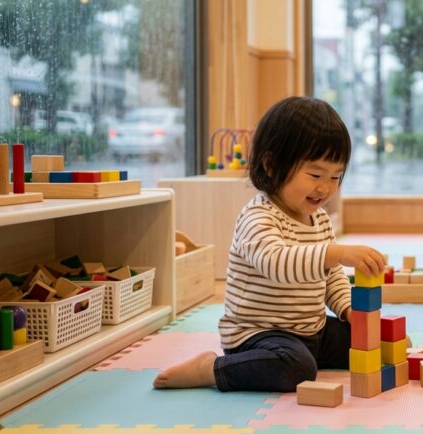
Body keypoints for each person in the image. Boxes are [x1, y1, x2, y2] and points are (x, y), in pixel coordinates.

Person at [154, 97, 386, 393]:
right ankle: (212, 370)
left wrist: (348, 309)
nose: (325, 187)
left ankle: (339, 345)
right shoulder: (258, 216)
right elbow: (276, 263)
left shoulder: (320, 220)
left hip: (311, 330)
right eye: (315, 174)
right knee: (296, 368)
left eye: (335, 176)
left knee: (372, 341)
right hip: (258, 335)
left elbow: (331, 278)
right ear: (272, 165)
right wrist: (334, 253)